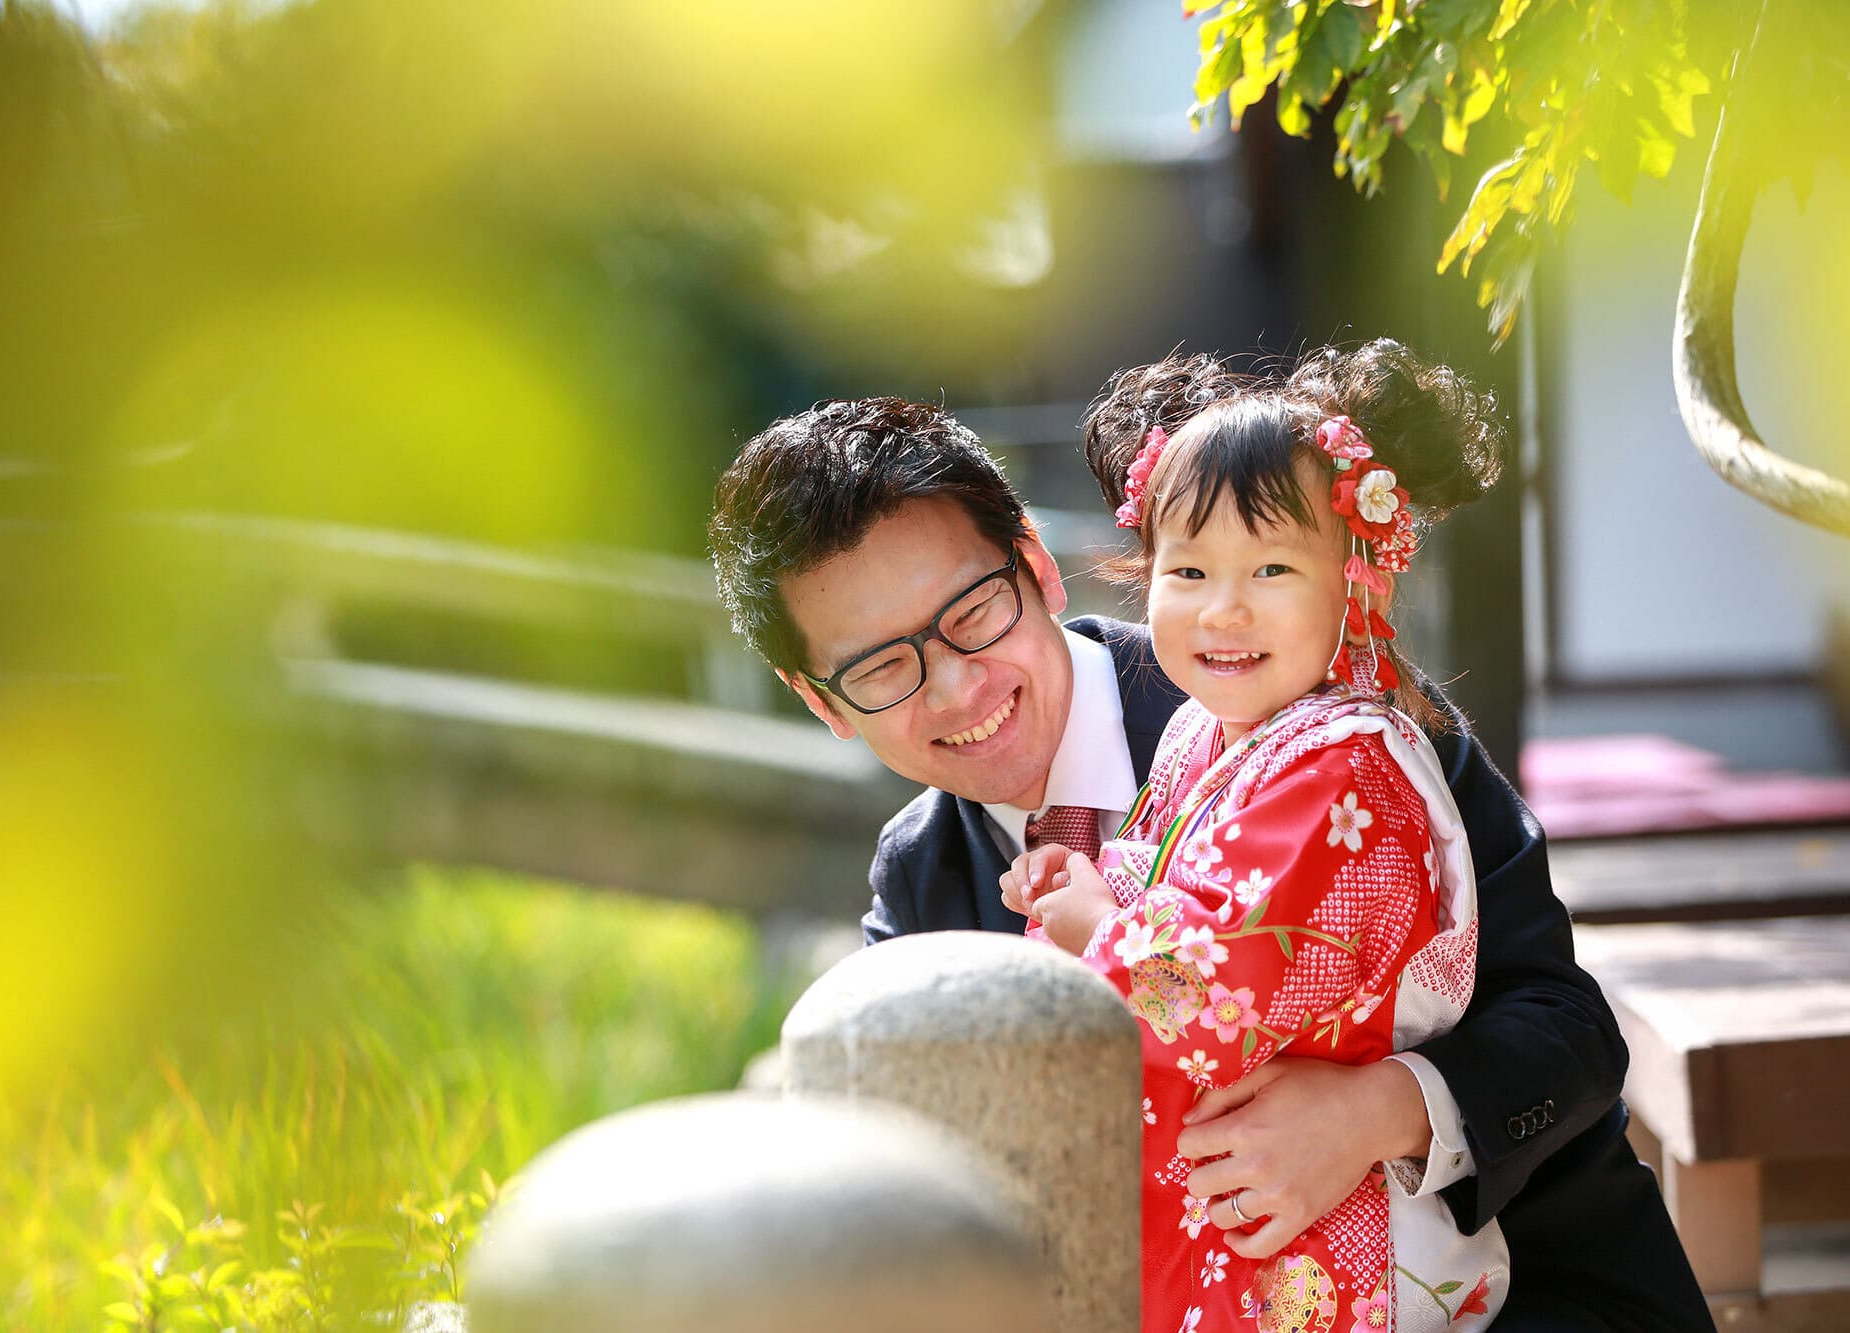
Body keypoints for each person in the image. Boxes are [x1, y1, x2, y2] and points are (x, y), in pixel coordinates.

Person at [707, 387, 1713, 1331]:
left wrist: (1377, 1113)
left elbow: (1568, 1029)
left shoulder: (1321, 715)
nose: (955, 689)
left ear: (1037, 563)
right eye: (881, 667)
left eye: (972, 614)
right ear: (822, 702)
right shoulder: (921, 883)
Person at [1000, 341, 1512, 1328]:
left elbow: (1221, 993)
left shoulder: (1347, 758)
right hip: (1231, 1207)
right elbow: (1168, 897)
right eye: (1187, 568)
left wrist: (1093, 922)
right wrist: (1091, 881)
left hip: (1318, 1223)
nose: (1222, 607)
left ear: (1355, 577)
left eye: (1270, 566)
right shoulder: (1211, 728)